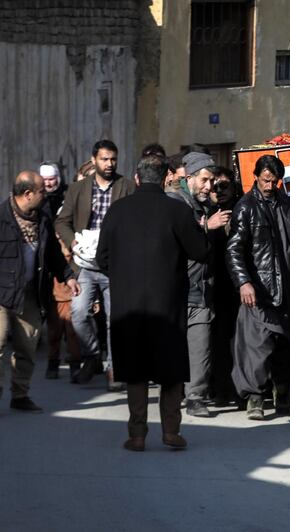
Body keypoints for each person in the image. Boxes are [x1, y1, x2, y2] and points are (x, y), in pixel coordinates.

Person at [96, 154, 208, 452]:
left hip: (128, 304)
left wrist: (122, 276)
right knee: (170, 369)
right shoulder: (177, 212)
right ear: (164, 179)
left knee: (135, 369)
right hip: (167, 304)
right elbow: (200, 251)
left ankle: (137, 435)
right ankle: (171, 431)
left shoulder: (117, 211)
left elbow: (101, 259)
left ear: (136, 177)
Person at [0, 171, 80, 418]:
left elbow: (53, 255)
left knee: (27, 347)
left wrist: (69, 276)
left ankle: (20, 394)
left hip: (30, 294)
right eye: (41, 191)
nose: (46, 193)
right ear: (28, 194)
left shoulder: (42, 220)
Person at [226, 155, 290, 420]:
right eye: (265, 180)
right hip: (261, 286)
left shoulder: (285, 202)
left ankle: (282, 390)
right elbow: (234, 250)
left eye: (274, 181)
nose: (269, 185)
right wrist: (244, 281)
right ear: (255, 177)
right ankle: (255, 397)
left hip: (289, 283)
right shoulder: (246, 207)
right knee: (257, 343)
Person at [54, 140, 136, 387]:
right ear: (94, 160)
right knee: (78, 314)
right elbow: (62, 223)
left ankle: (114, 368)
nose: (109, 164)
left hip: (115, 265)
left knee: (115, 319)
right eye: (104, 159)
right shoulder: (78, 189)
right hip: (85, 265)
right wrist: (73, 243)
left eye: (113, 159)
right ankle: (92, 356)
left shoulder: (127, 187)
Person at [167, 152, 231, 417]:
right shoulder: (173, 202)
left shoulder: (204, 204)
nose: (209, 186)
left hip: (202, 288)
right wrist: (207, 226)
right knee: (175, 347)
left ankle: (196, 397)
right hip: (176, 289)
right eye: (204, 180)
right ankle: (173, 394)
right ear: (189, 177)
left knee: (200, 347)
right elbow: (176, 239)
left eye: (212, 181)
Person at [39, 162, 81, 379]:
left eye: (52, 178)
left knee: (68, 323)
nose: (49, 183)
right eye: (45, 179)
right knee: (56, 323)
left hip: (66, 266)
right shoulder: (39, 203)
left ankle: (70, 363)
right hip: (47, 270)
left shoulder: (67, 199)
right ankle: (55, 362)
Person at [208, 167, 242, 404]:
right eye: (214, 186)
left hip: (239, 284)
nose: (219, 191)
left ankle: (241, 389)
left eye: (224, 186)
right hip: (215, 283)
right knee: (218, 339)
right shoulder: (207, 213)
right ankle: (220, 388)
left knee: (239, 340)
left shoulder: (242, 209)